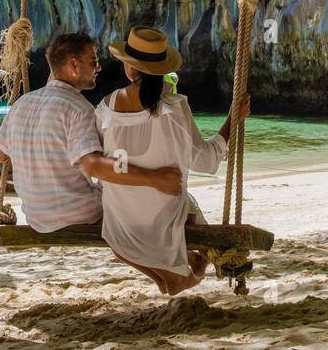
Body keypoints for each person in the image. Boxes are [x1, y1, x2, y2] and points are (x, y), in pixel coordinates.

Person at [96, 26, 250, 296]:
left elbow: (99, 161)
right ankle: (202, 263)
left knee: (181, 204)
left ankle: (195, 266)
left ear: (130, 68)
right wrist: (232, 120)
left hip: (120, 223)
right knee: (185, 203)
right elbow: (204, 161)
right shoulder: (175, 108)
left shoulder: (106, 107)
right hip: (163, 221)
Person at [0, 31, 182, 233]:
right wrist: (155, 178)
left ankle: (184, 258)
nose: (99, 67)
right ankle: (180, 254)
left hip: (37, 218)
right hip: (79, 214)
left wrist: (29, 147)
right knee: (141, 195)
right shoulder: (78, 108)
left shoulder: (21, 104)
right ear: (74, 66)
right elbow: (94, 166)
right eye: (93, 62)